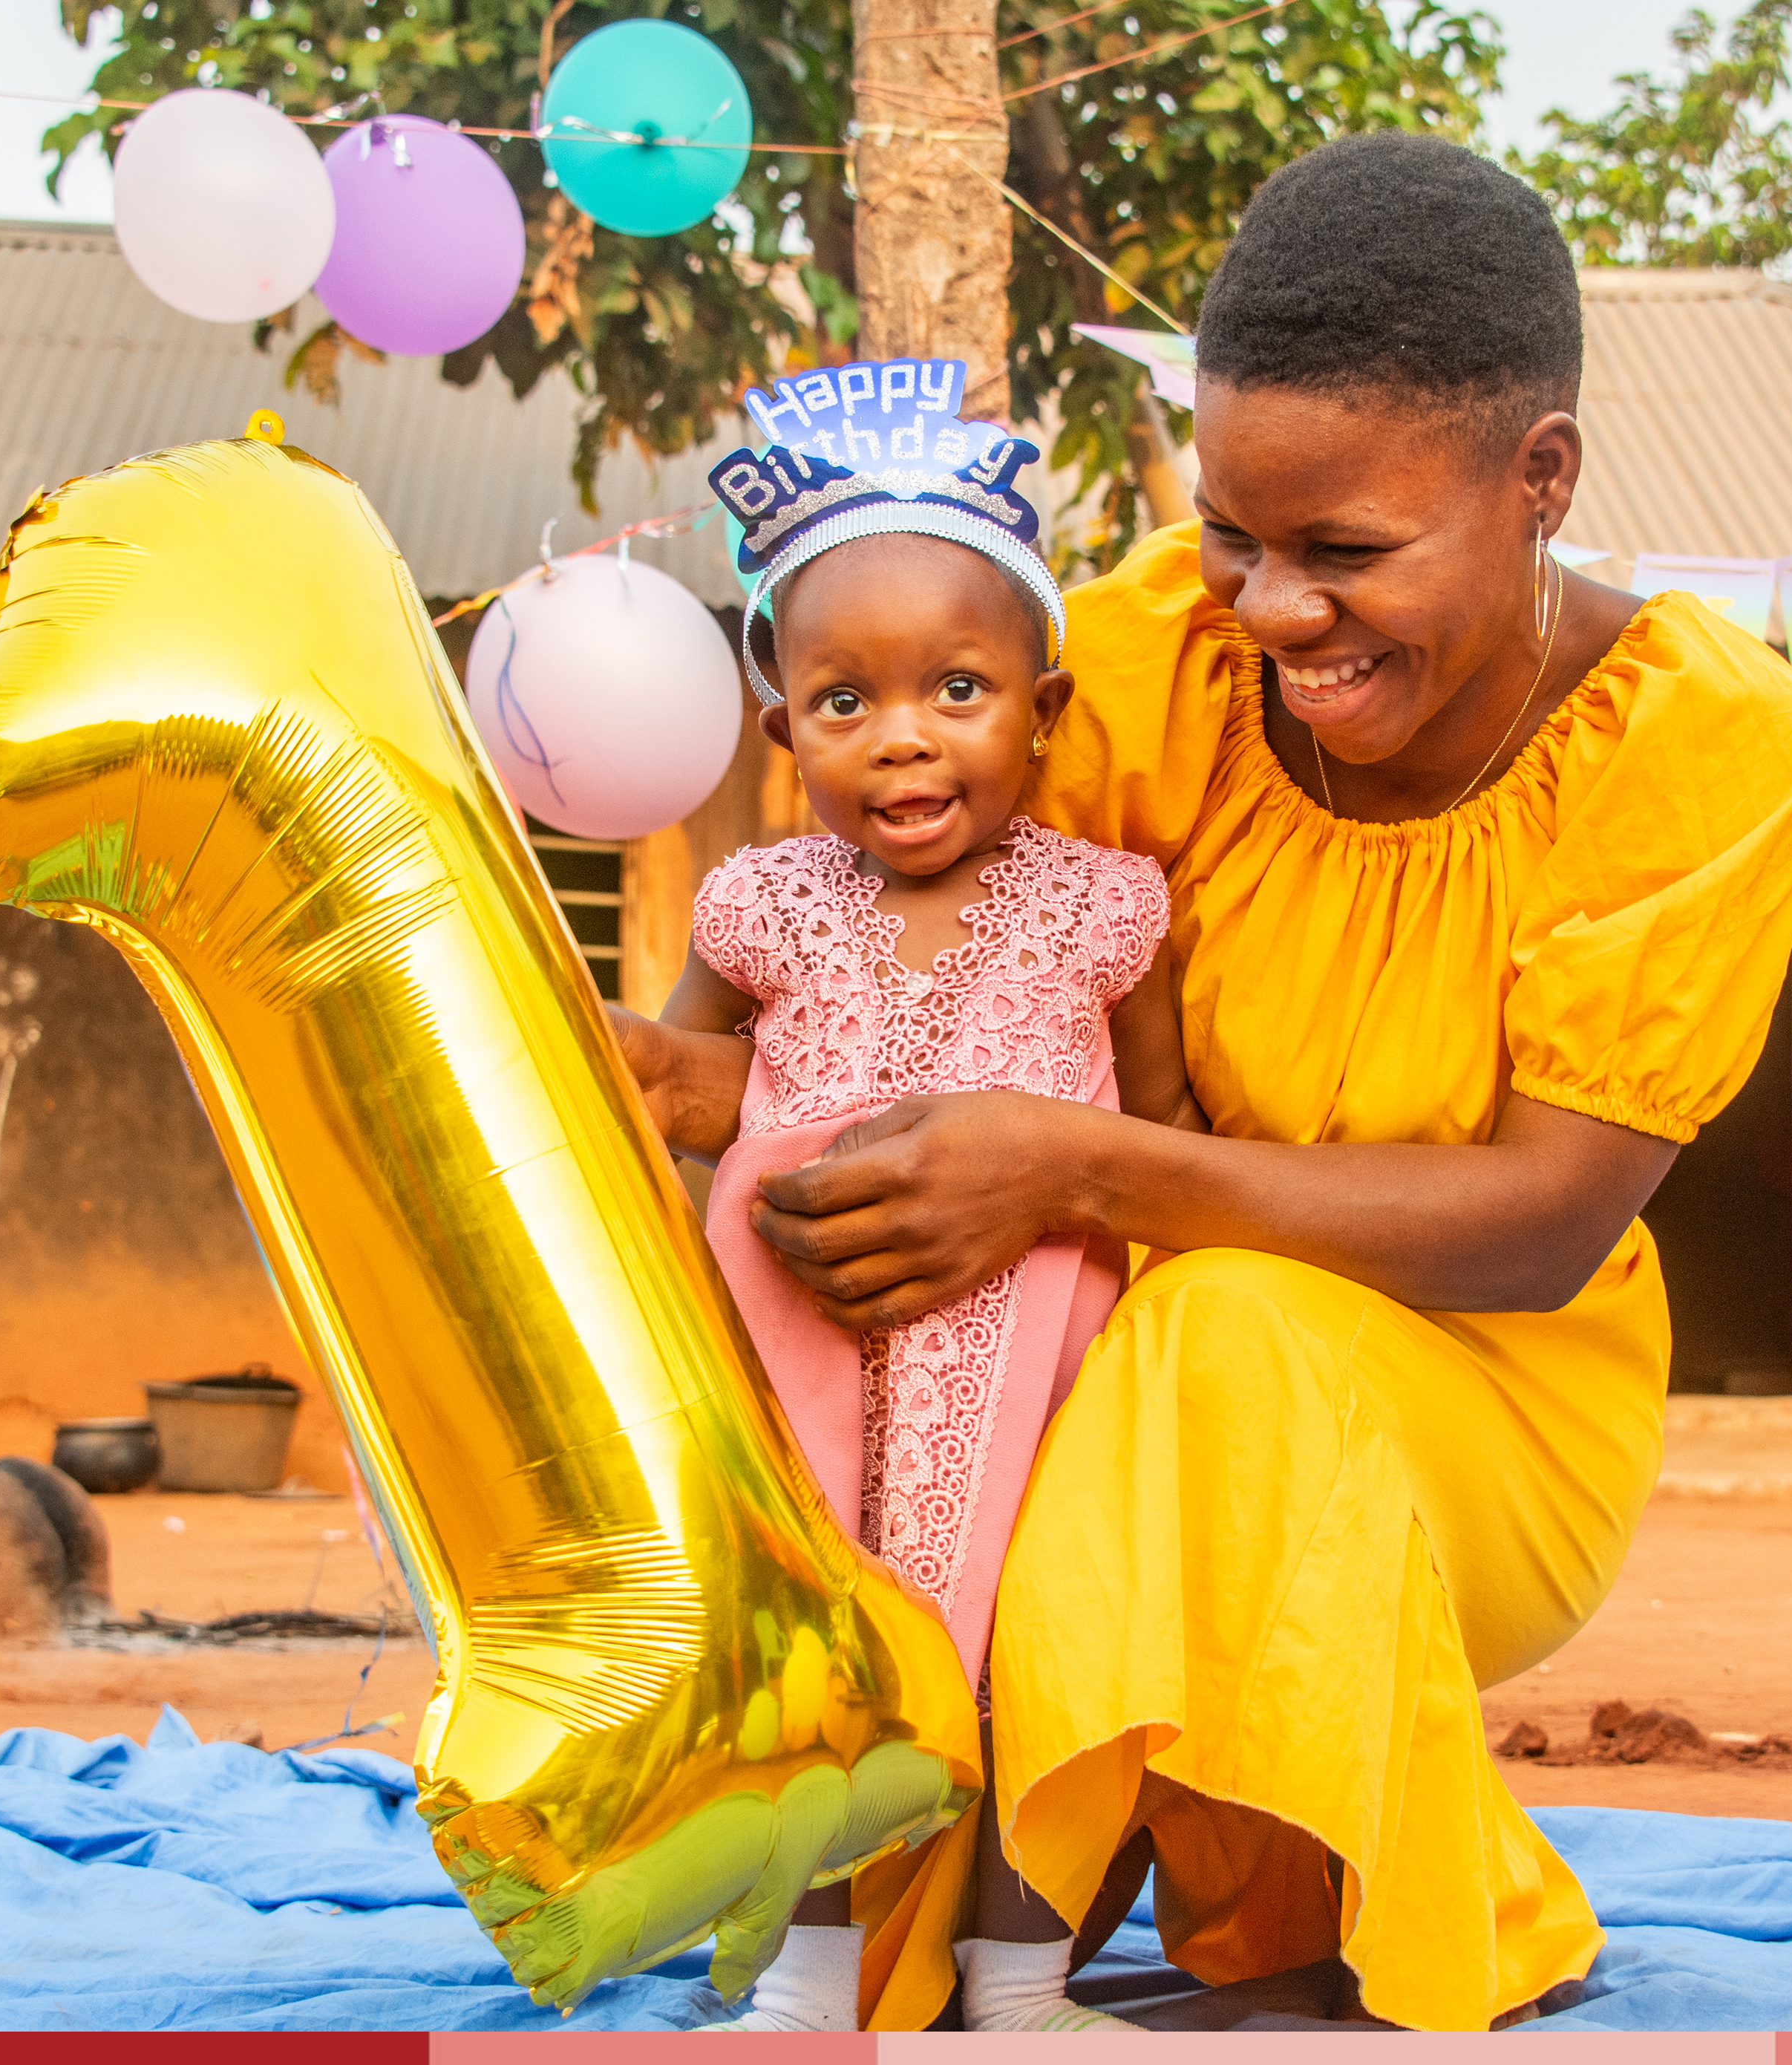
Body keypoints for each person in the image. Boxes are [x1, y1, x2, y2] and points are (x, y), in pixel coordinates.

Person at [624, 134, 1792, 2031]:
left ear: (1540, 481)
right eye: (1235, 535)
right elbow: (886, 963)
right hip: (1078, 1364)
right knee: (1040, 1368)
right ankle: (977, 1852)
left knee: (1222, 1331)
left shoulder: (1705, 738)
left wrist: (1078, 1172)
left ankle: (1365, 1887)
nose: (1274, 609)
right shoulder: (1108, 667)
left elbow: (1541, 1225)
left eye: (1348, 553)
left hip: (1487, 1420)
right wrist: (672, 1082)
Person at [606, 365, 1191, 2033]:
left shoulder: (1102, 911)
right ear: (783, 727)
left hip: (1044, 1375)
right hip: (812, 1378)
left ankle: (1018, 1980)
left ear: (1044, 709)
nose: (907, 734)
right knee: (827, 1661)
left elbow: (1160, 1134)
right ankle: (802, 1984)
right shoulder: (757, 906)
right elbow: (676, 1096)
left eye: (956, 685)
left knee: (1033, 1659)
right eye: (847, 701)